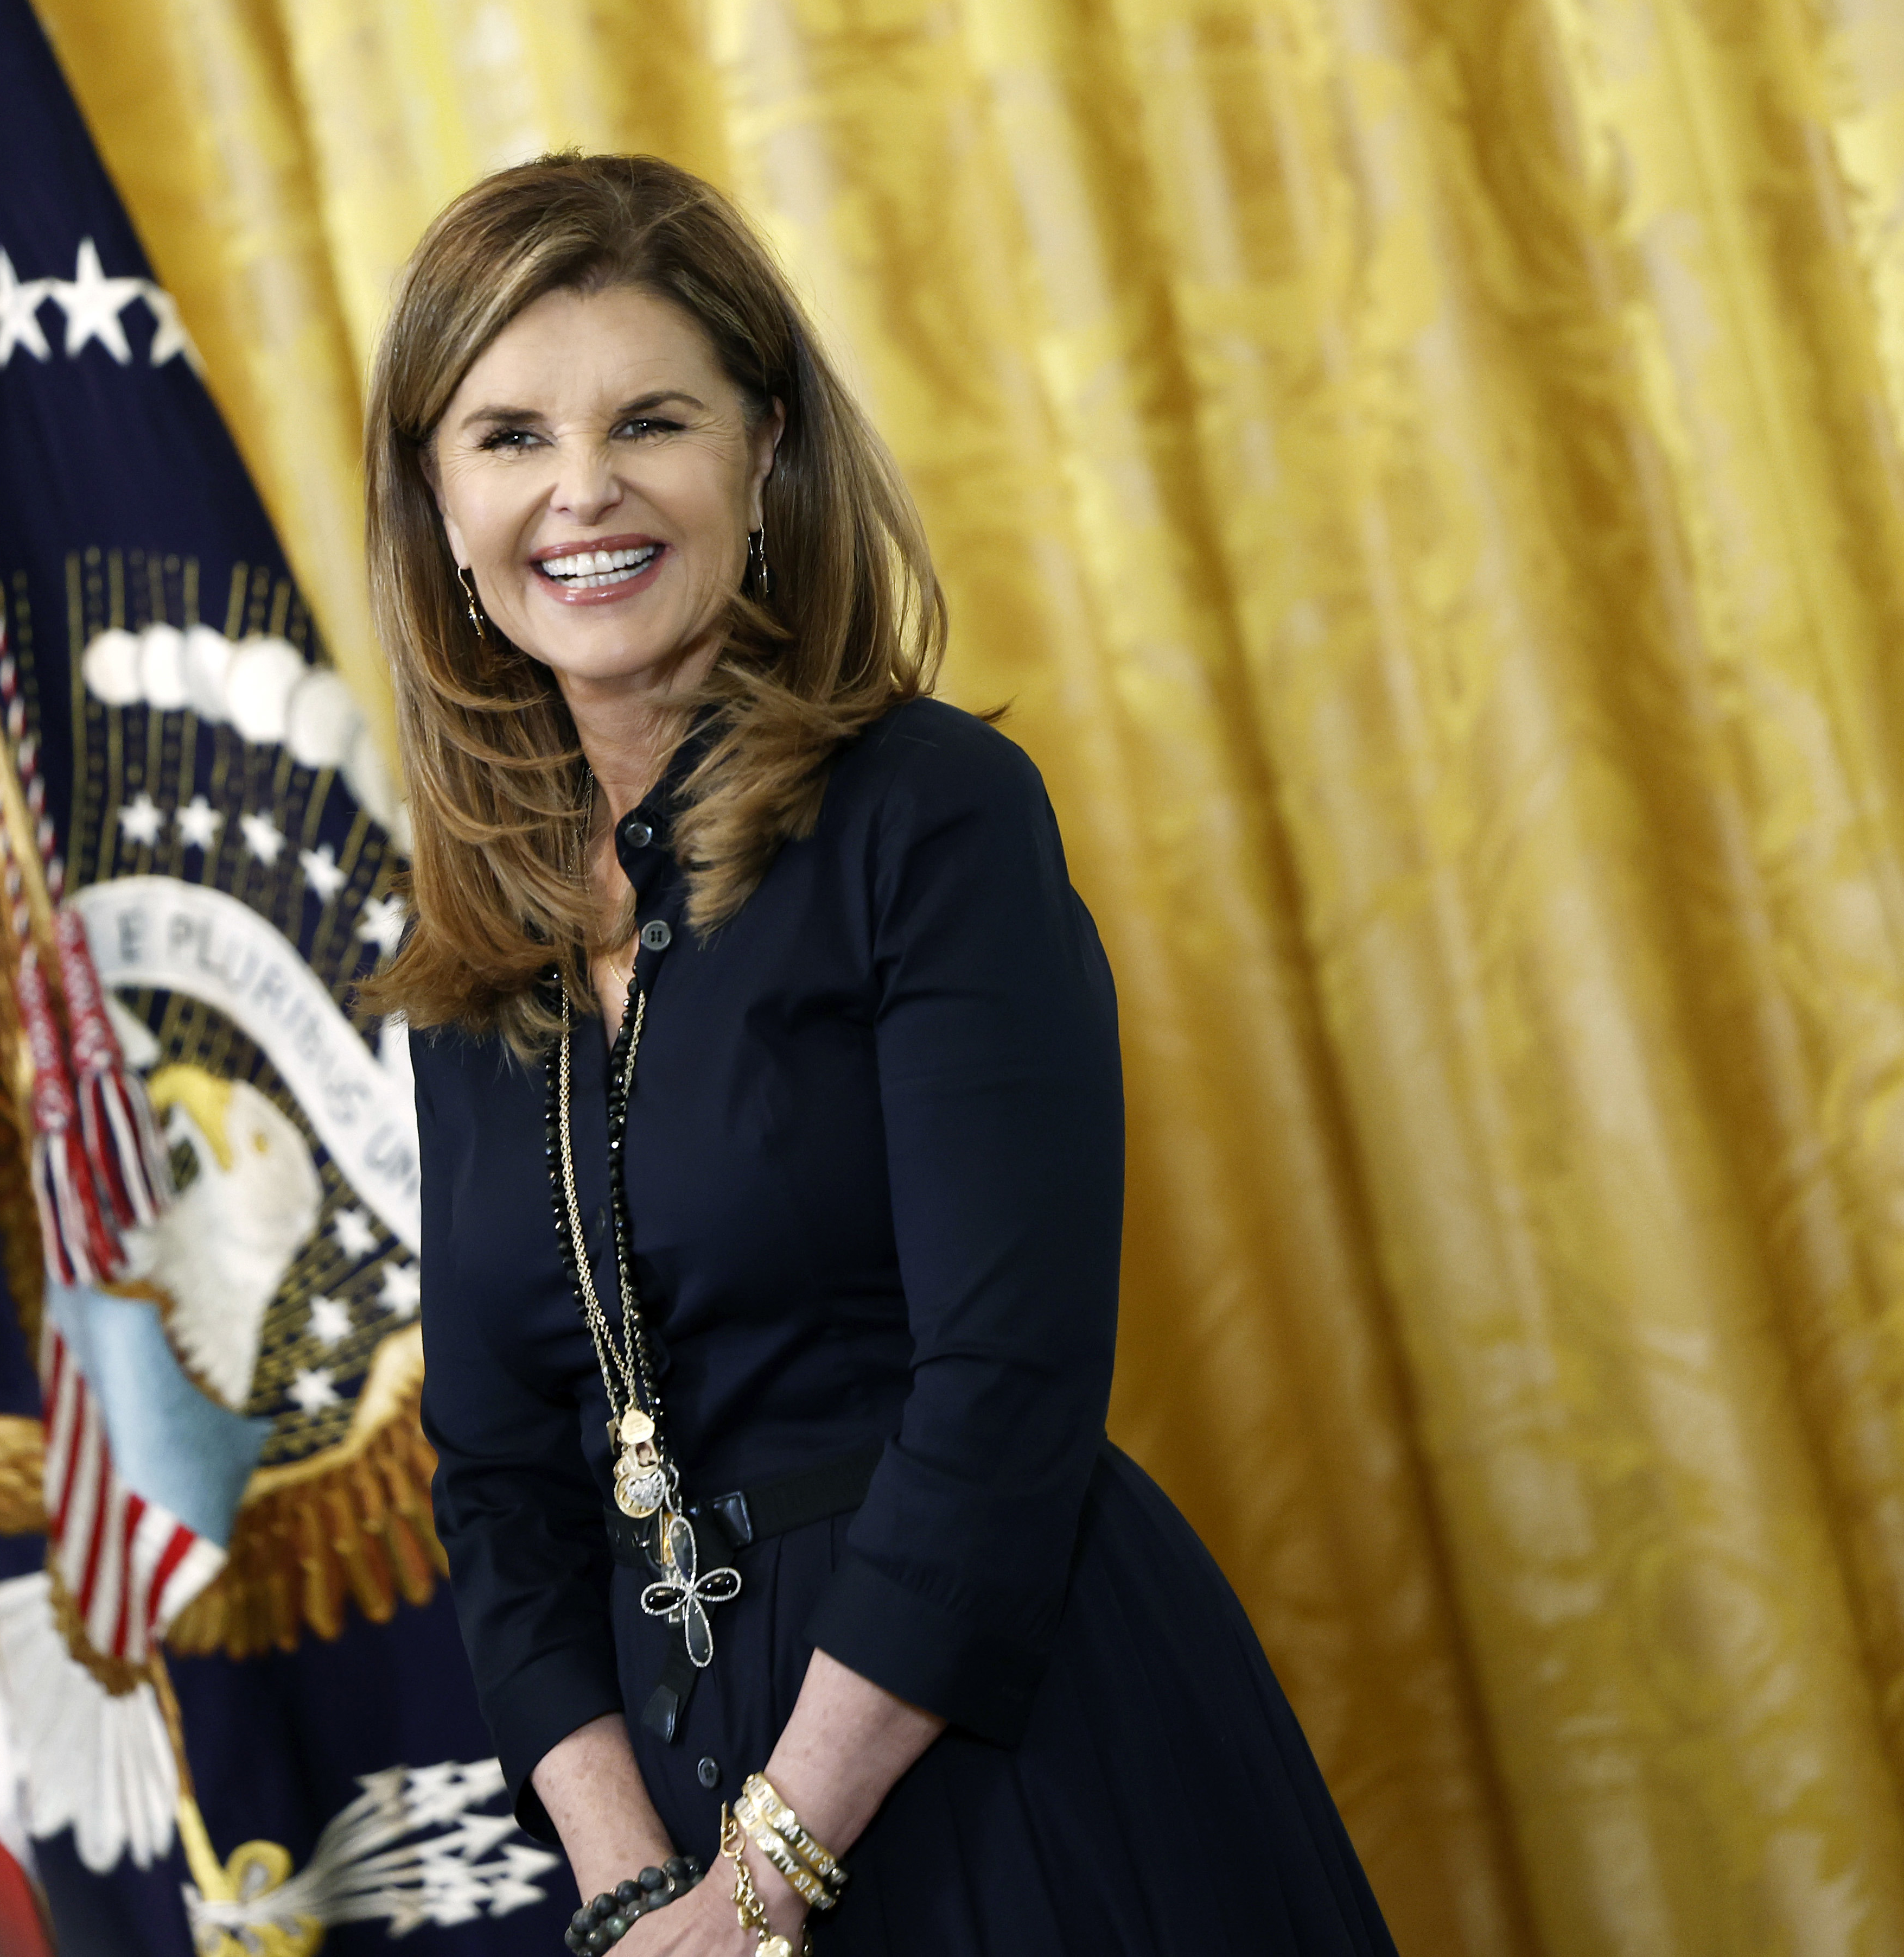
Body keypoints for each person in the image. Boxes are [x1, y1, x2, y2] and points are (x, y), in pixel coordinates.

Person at [365, 152, 1396, 1955]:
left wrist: (769, 1878)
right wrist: (635, 1895)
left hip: (1006, 1754)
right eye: (510, 436)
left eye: (650, 421)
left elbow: (1007, 1384)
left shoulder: (932, 816)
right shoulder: (474, 946)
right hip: (676, 1842)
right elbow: (498, 1481)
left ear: (765, 454)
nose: (582, 491)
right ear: (440, 509)